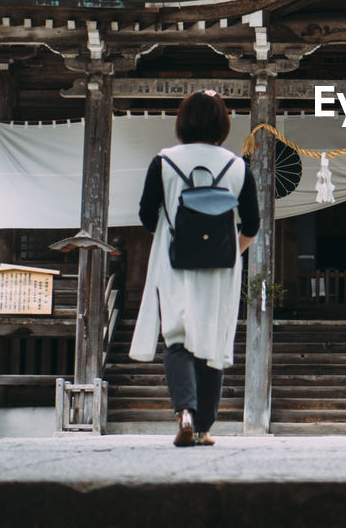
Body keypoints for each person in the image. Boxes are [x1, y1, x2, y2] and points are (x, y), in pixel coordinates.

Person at [130, 89, 260, 447]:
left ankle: (184, 411)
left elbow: (145, 215)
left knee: (177, 337)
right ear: (223, 123)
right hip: (222, 267)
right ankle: (203, 428)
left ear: (182, 122)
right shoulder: (238, 166)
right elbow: (252, 223)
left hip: (174, 262)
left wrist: (182, 235)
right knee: (212, 337)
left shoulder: (163, 161)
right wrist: (229, 249)